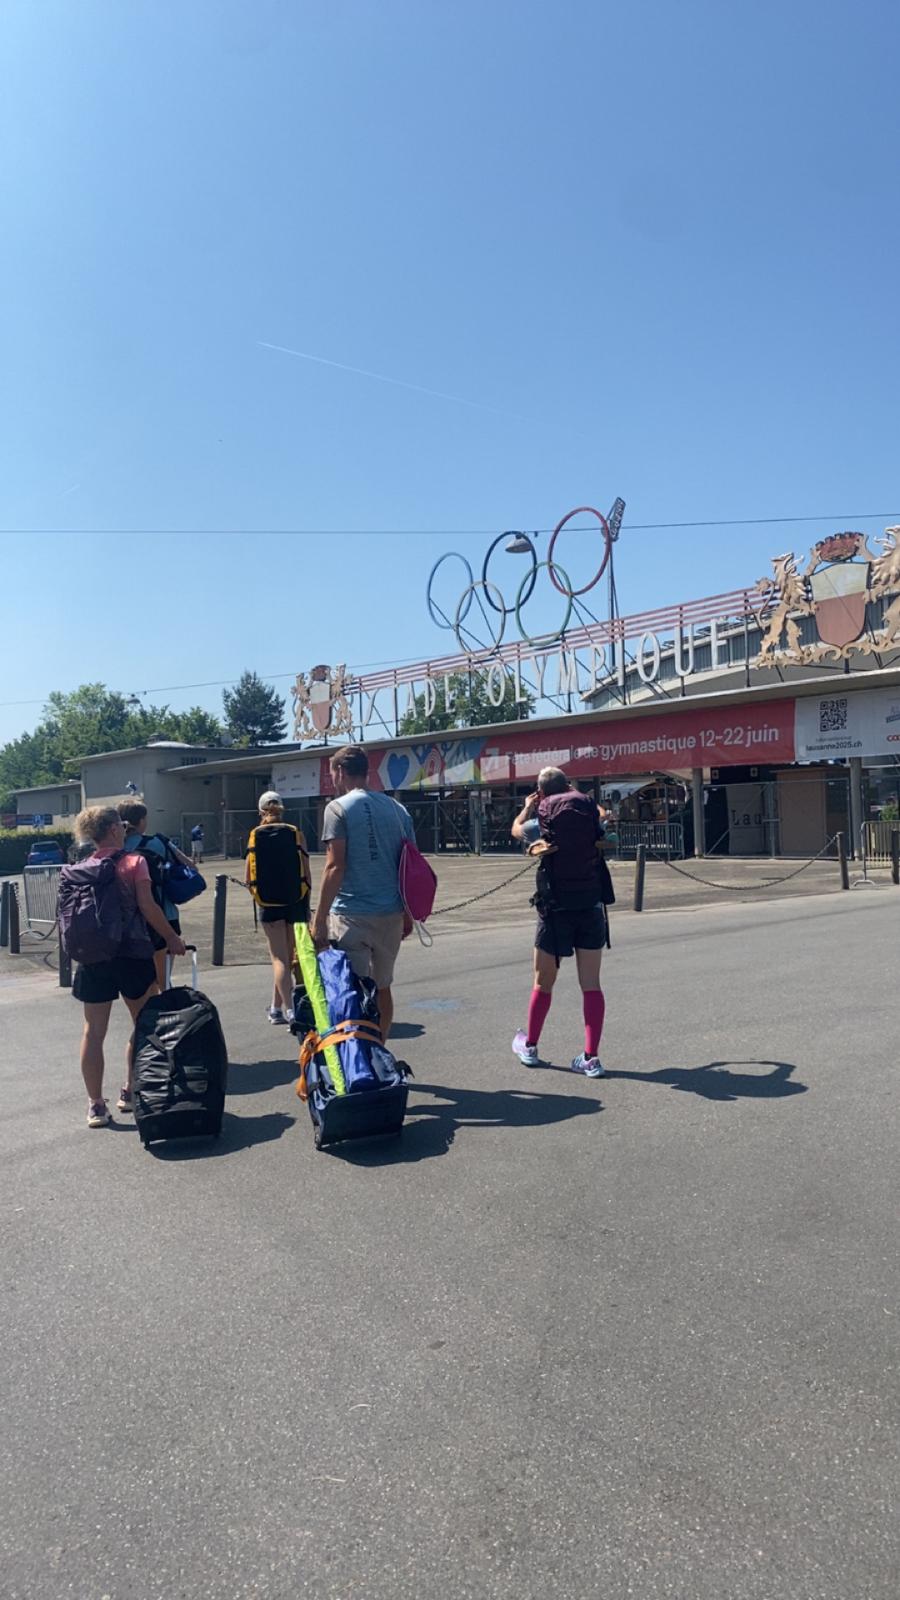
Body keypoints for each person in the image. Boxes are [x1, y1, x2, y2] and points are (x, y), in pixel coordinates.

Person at [70, 806, 186, 1128]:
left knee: (93, 1031)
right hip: (132, 954)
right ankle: (130, 1089)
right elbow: (147, 907)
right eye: (120, 825)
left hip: (94, 957)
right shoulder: (135, 862)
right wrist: (171, 937)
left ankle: (95, 1105)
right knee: (144, 1023)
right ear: (112, 830)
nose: (124, 829)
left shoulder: (81, 868)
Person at [510, 767, 610, 1077]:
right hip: (590, 904)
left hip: (555, 909)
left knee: (543, 983)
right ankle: (591, 1057)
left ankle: (530, 1046)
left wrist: (527, 807)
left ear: (541, 792)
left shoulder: (540, 820)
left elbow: (515, 830)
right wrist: (578, 794)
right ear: (567, 786)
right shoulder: (589, 814)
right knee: (591, 984)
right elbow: (603, 814)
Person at [311, 745, 415, 1042]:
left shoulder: (337, 809)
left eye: (333, 773)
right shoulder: (397, 810)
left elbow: (335, 866)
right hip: (391, 913)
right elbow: (409, 865)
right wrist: (408, 912)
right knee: (382, 987)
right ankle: (380, 1047)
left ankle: (357, 1054)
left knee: (352, 989)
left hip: (351, 914)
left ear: (341, 771)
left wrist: (319, 918)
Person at [245, 791, 310, 1024]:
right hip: (295, 899)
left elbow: (248, 875)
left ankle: (290, 1011)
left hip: (268, 902)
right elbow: (306, 870)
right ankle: (275, 1007)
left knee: (279, 959)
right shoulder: (295, 832)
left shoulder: (255, 835)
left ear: (260, 811)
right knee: (288, 957)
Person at [118, 800, 194, 990]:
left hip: (129, 920)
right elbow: (190, 866)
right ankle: (167, 1006)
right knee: (163, 978)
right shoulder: (158, 842)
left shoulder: (118, 847)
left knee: (143, 981)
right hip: (165, 915)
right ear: (142, 820)